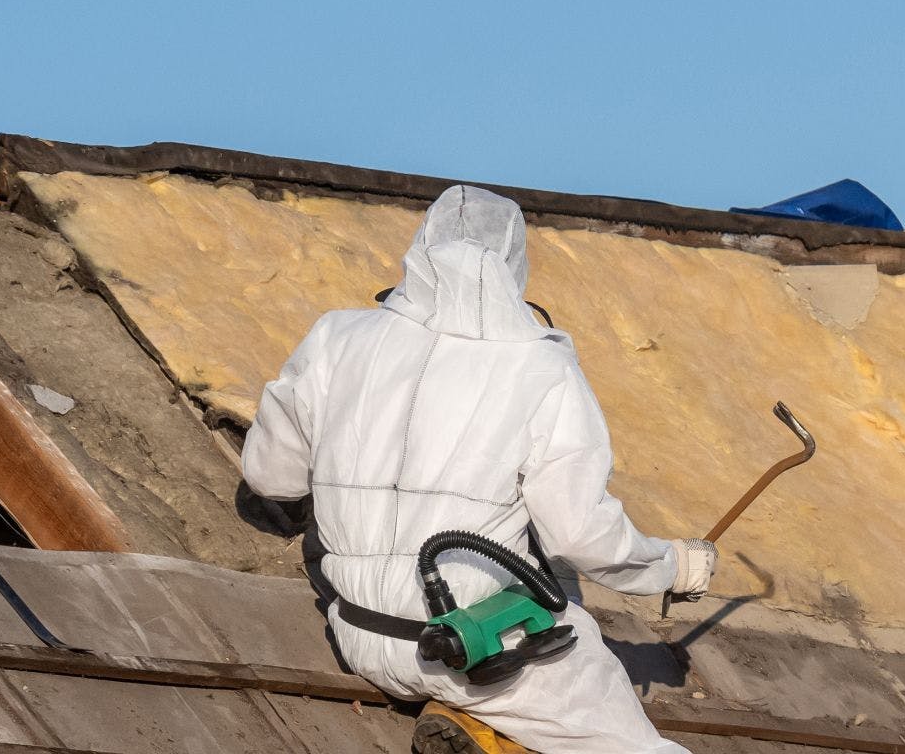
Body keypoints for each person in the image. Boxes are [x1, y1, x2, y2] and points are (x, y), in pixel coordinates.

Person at [242, 185, 716, 754]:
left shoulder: (336, 336)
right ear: (516, 266)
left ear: (420, 249)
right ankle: (491, 718)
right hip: (476, 651)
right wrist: (670, 566)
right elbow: (578, 535)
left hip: (360, 633)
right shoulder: (541, 365)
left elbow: (272, 479)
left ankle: (477, 729)